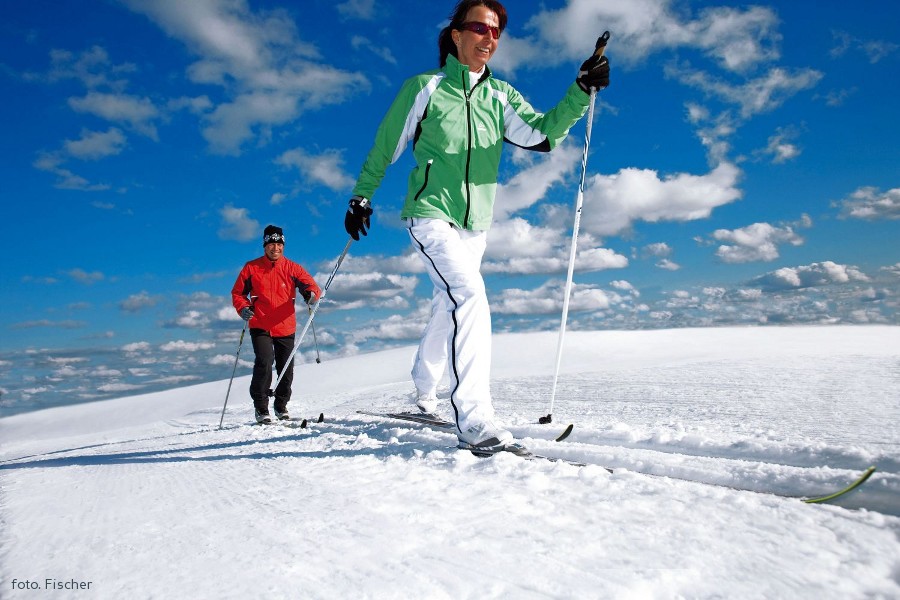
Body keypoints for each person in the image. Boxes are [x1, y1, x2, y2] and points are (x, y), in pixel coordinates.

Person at [344, 0, 609, 451]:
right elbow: (386, 144)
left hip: (475, 225)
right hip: (429, 214)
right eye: (481, 29)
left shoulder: (500, 96)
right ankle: (474, 419)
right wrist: (362, 196)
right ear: (455, 35)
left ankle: (424, 389)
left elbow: (542, 133)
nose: (490, 39)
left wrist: (580, 91)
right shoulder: (425, 88)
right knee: (468, 295)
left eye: (497, 32)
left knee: (447, 305)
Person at [231, 225, 321, 423]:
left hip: (285, 325)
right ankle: (261, 407)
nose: (275, 248)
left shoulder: (292, 268)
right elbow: (238, 293)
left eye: (279, 244)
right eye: (271, 244)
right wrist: (243, 308)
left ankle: (281, 406)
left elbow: (312, 286)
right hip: (260, 323)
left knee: (286, 367)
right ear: (265, 246)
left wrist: (310, 294)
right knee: (264, 362)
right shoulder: (251, 268)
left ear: (283, 245)